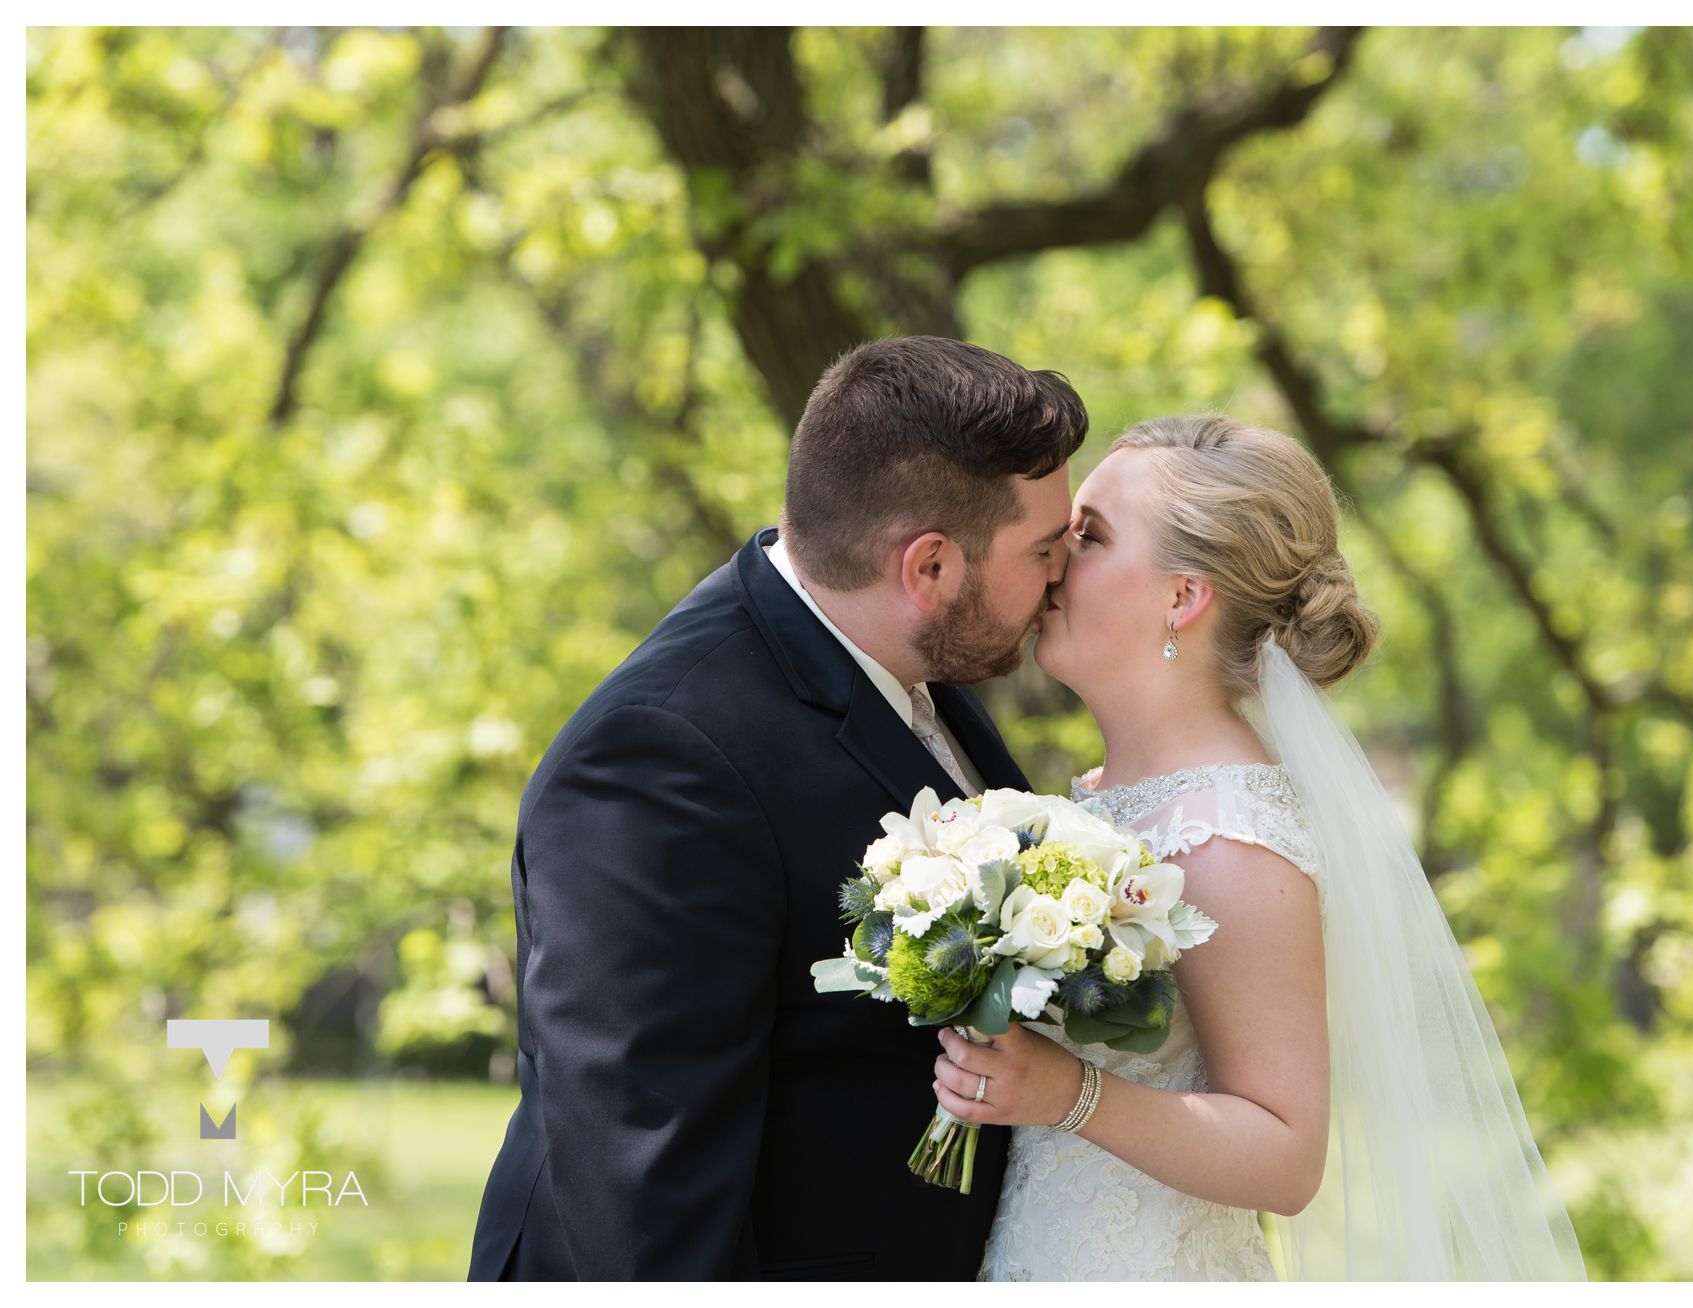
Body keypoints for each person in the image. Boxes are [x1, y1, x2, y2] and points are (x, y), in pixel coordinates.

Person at [466, 336, 1086, 1279]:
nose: (1062, 578)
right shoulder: (659, 760)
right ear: (927, 568)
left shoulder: (910, 668)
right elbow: (644, 1184)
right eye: (1044, 550)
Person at [932, 414, 1588, 1281]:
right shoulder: (1092, 799)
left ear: (1183, 597)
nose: (1052, 559)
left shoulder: (1233, 837)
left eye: (1087, 537)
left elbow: (1285, 1156)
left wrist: (1066, 1094)